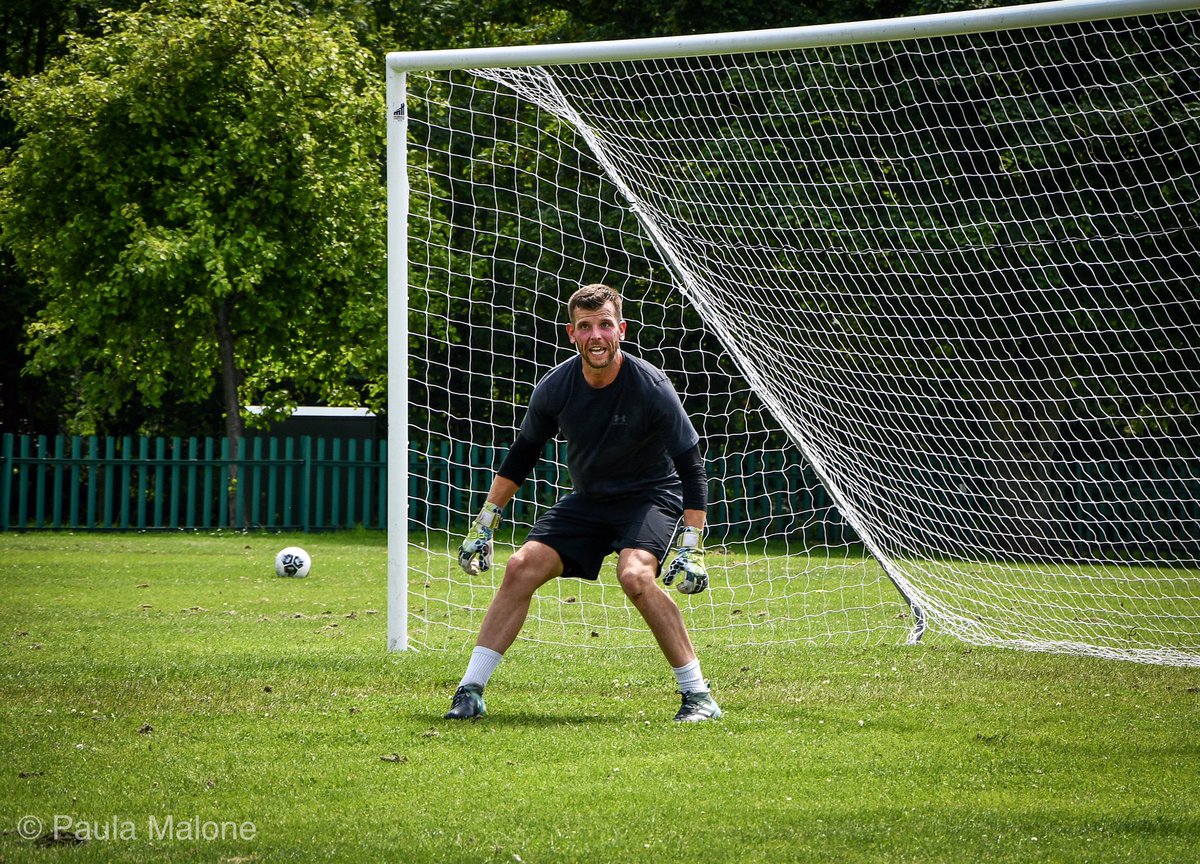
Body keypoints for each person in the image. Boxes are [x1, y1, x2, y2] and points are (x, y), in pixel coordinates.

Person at [444, 283, 721, 723]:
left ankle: (698, 696)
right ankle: (470, 690)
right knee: (520, 567)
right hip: (590, 501)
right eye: (586, 326)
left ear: (621, 330)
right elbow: (523, 453)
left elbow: (691, 464)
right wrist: (484, 524)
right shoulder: (555, 387)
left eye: (605, 325)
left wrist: (692, 545)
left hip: (650, 498)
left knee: (633, 576)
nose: (597, 335)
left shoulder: (651, 385)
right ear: (572, 333)